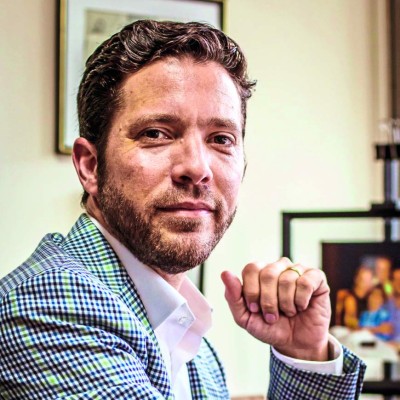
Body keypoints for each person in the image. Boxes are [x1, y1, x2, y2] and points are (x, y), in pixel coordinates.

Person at [0, 20, 365, 399]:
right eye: (156, 133)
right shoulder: (48, 306)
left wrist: (304, 356)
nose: (197, 168)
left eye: (221, 139)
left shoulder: (195, 346)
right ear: (90, 166)